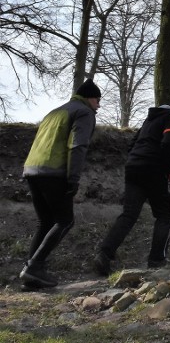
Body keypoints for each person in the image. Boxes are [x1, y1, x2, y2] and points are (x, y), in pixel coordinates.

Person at [93, 91, 170, 275]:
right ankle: (157, 261)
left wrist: (136, 160)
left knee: (129, 215)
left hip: (133, 166)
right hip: (155, 169)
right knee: (165, 215)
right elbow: (169, 144)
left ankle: (104, 254)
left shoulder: (150, 119)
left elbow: (133, 143)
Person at [19, 79, 101, 288]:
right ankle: (34, 266)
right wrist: (73, 178)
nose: (98, 106)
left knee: (45, 222)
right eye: (98, 100)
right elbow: (78, 145)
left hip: (32, 169)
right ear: (90, 98)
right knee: (65, 220)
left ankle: (31, 274)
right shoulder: (84, 112)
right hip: (54, 172)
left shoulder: (54, 112)